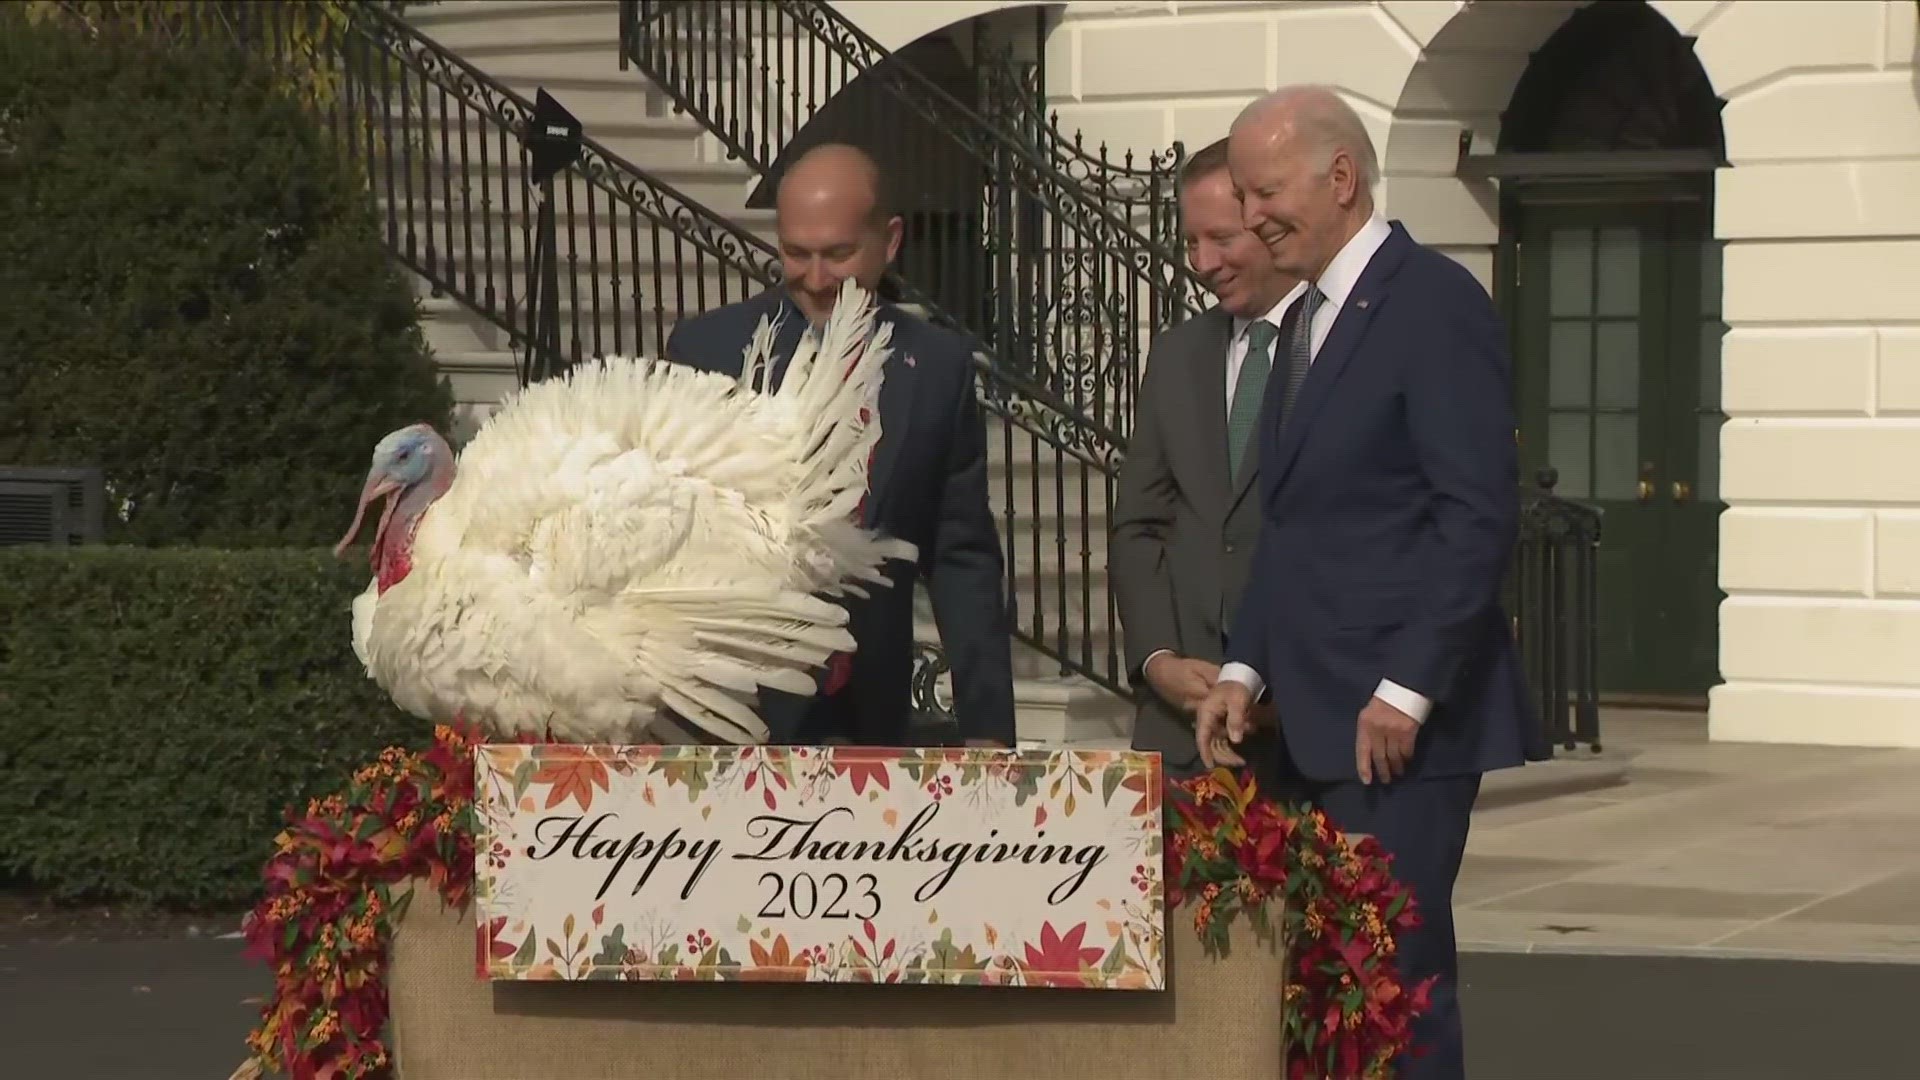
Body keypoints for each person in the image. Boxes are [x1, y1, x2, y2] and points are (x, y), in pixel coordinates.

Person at [1191, 86, 1536, 1080]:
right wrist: (1244, 667)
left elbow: (1475, 514)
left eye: (1266, 192)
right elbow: (1292, 525)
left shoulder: (1431, 303)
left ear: (1340, 178)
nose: (1251, 217)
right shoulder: (1307, 321)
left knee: (1394, 980)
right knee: (1318, 982)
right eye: (1243, 196)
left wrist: (1407, 686)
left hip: (1395, 733)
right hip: (1306, 718)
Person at [664, 143, 1016, 750]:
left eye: (839, 254)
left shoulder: (937, 367)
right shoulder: (706, 353)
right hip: (722, 710)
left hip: (867, 714)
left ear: (891, 241)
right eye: (796, 253)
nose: (817, 279)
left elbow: (962, 556)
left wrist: (988, 726)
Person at [1108, 136, 1298, 779]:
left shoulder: (1337, 349)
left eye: (1221, 238)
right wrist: (1157, 657)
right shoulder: (1177, 355)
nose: (1202, 261)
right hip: (1181, 729)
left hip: (1298, 725)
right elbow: (1139, 524)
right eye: (1191, 242)